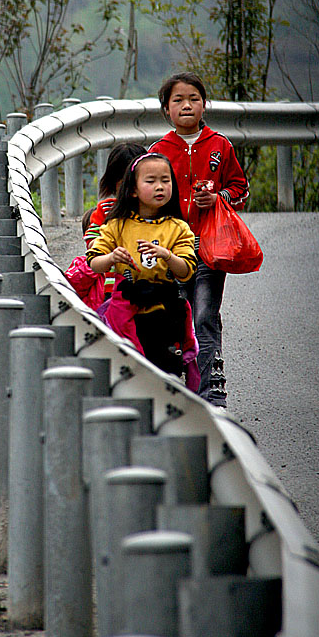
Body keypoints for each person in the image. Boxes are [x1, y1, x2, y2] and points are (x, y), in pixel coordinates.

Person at [148, 72, 249, 406]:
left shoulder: (220, 145)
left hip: (209, 247)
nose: (186, 105)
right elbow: (144, 195)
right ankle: (178, 381)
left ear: (204, 105)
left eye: (193, 98)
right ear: (166, 109)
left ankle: (210, 389)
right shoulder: (158, 151)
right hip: (170, 249)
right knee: (175, 313)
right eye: (178, 100)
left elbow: (240, 188)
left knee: (204, 313)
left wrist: (218, 196)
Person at [86, 150, 197, 378]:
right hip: (125, 308)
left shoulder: (178, 228)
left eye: (165, 181)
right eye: (151, 181)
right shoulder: (116, 225)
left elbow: (186, 271)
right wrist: (111, 258)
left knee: (167, 372)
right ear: (132, 190)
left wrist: (167, 255)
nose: (160, 187)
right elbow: (94, 263)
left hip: (165, 309)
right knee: (128, 370)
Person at [86, 143, 142, 298]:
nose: (129, 186)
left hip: (149, 283)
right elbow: (92, 243)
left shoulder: (153, 211)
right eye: (123, 180)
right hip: (113, 286)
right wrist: (111, 248)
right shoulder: (105, 210)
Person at [64, 207, 106, 310]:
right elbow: (71, 285)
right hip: (93, 318)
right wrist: (94, 263)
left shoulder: (120, 264)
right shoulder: (80, 264)